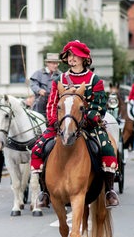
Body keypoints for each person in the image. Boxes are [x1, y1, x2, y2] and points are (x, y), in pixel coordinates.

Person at [29, 40, 119, 207]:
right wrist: (54, 121)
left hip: (88, 125)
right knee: (39, 148)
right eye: (69, 55)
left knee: (107, 147)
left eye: (75, 55)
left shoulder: (94, 80)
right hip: (61, 125)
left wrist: (88, 119)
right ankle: (45, 192)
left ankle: (109, 190)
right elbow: (52, 102)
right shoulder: (60, 79)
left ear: (84, 58)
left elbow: (99, 105)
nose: (72, 58)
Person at [29, 53, 61, 117]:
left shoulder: (60, 74)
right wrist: (39, 90)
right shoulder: (39, 73)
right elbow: (33, 84)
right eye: (53, 63)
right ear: (47, 63)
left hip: (54, 104)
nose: (56, 65)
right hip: (40, 104)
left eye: (57, 63)